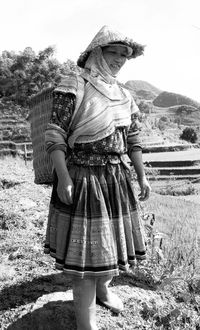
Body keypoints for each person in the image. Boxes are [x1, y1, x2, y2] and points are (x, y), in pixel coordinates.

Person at [44, 25, 151, 330]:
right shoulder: (74, 84)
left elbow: (134, 138)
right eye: (113, 52)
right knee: (86, 258)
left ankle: (104, 288)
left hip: (116, 178)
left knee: (111, 245)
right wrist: (63, 176)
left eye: (124, 55)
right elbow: (55, 134)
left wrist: (141, 176)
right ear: (96, 52)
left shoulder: (124, 94)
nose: (119, 59)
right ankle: (86, 325)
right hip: (83, 177)